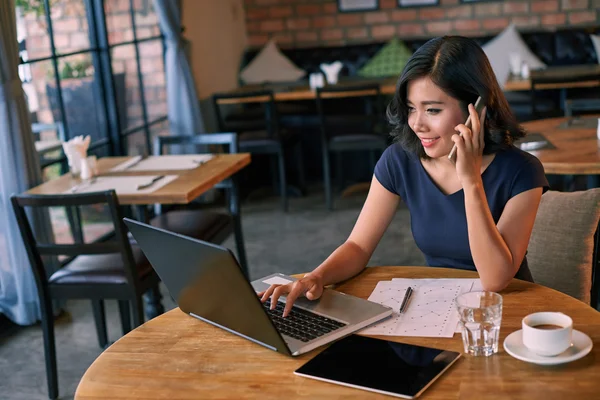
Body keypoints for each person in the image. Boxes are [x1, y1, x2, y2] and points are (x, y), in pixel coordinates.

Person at [259, 36, 549, 317]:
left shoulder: (522, 171)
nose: (417, 124)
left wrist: (471, 180)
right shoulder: (399, 160)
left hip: (505, 315)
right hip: (440, 309)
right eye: (411, 108)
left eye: (433, 110)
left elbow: (495, 278)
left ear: (478, 108)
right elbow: (358, 246)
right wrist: (317, 277)